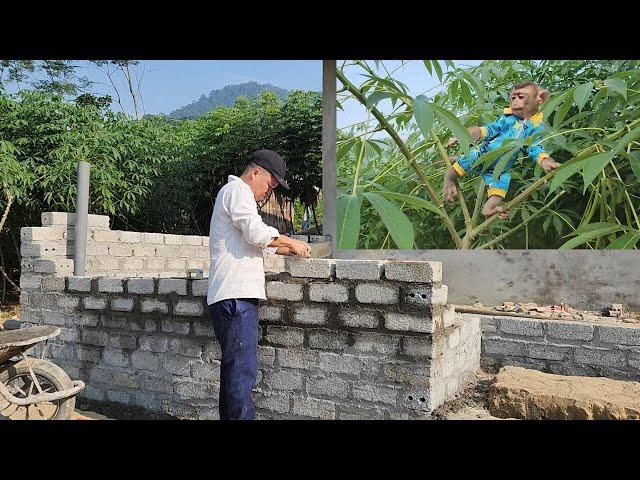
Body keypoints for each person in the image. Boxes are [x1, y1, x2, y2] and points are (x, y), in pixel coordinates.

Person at [207, 149, 311, 420]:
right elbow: (256, 232)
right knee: (241, 374)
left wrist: (290, 249)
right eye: (270, 185)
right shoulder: (238, 190)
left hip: (232, 297)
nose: (269, 192)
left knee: (234, 376)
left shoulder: (234, 196)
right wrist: (291, 241)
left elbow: (254, 241)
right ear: (255, 173)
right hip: (236, 298)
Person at [443, 81, 560, 218]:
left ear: (540, 98)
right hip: (484, 154)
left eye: (521, 97)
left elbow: (534, 146)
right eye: (513, 98)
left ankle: (489, 208)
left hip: (499, 168)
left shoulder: (534, 127)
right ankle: (450, 179)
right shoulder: (507, 119)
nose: (515, 102)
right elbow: (488, 129)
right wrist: (463, 135)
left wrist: (545, 161)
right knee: (468, 159)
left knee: (504, 180)